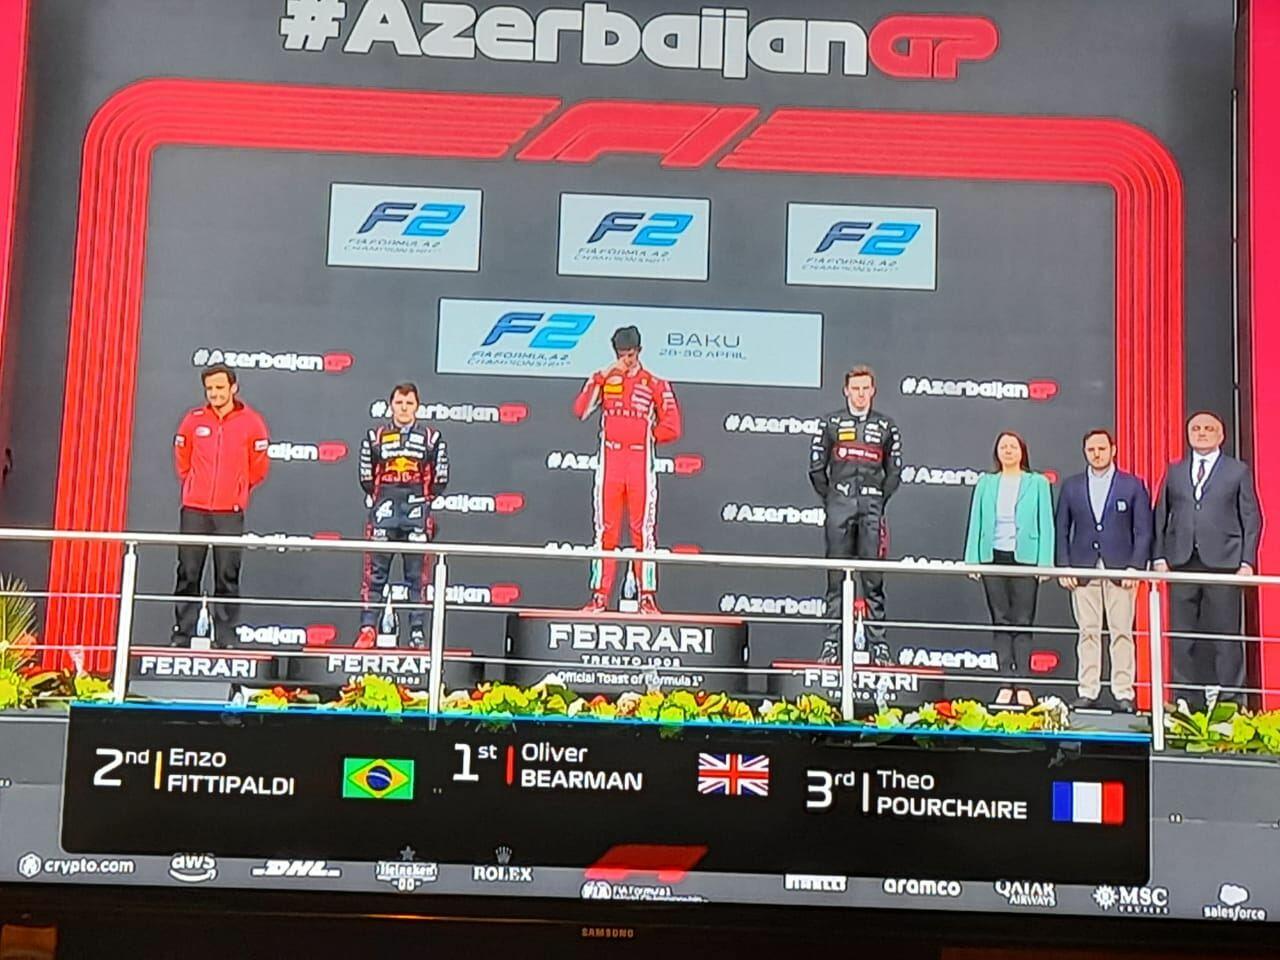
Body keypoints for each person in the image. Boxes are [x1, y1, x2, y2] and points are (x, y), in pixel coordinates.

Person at [1152, 411, 1262, 707]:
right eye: (1196, 428)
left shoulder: (1237, 471)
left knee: (1226, 637)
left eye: (1208, 429)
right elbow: (1160, 515)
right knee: (1181, 636)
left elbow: (1252, 518)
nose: (1201, 433)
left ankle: (1231, 701)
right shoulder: (1175, 471)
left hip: (1224, 564)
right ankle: (1185, 699)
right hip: (1181, 562)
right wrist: (1159, 556)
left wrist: (1247, 562)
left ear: (1221, 436)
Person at [574, 326, 681, 614]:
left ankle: (647, 597)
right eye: (622, 355)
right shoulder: (606, 379)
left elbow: (673, 427)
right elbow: (581, 410)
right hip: (610, 462)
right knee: (605, 531)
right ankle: (599, 596)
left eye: (631, 355)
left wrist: (647, 435)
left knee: (642, 532)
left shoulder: (655, 383)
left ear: (640, 352)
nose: (627, 360)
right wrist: (601, 376)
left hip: (639, 464)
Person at [808, 365, 903, 664]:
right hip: (839, 507)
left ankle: (879, 646)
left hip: (871, 508)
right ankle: (831, 645)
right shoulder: (831, 423)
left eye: (865, 389)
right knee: (836, 578)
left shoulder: (886, 426)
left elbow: (894, 472)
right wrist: (834, 498)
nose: (860, 394)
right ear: (846, 391)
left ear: (873, 390)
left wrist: (876, 498)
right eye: (855, 389)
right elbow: (816, 469)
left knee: (873, 579)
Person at [172, 363, 270, 647]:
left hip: (230, 512)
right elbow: (182, 459)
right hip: (194, 509)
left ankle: (226, 635)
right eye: (210, 389)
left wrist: (238, 490)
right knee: (188, 573)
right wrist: (194, 486)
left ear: (233, 388)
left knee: (227, 575)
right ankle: (183, 633)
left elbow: (258, 467)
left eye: (219, 388)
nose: (214, 393)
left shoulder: (252, 422)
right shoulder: (193, 420)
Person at [1054, 429, 1152, 712]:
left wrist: (1136, 567)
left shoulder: (1132, 485)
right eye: (1091, 450)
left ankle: (1124, 692)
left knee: (1122, 632)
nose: (1096, 454)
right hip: (1083, 570)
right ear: (1085, 452)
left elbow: (1143, 531)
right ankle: (1088, 690)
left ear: (1113, 450)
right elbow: (1061, 529)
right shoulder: (1072, 486)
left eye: (1101, 449)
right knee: (1088, 632)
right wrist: (1064, 566)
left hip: (1122, 571)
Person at [963, 431, 1054, 707]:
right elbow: (976, 521)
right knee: (1000, 620)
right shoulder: (986, 483)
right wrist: (972, 559)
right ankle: (1005, 682)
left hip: (1026, 559)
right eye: (1003, 446)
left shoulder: (1037, 483)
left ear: (1022, 451)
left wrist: (1045, 563)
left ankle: (1023, 684)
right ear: (997, 452)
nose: (1008, 451)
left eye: (1013, 446)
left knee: (1023, 620)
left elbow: (1046, 523)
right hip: (993, 557)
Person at [358, 382, 449, 649]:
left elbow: (441, 477)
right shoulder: (375, 436)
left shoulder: (431, 437)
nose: (404, 408)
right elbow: (366, 476)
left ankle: (417, 633)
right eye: (399, 403)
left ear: (417, 407)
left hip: (416, 512)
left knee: (417, 577)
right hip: (384, 510)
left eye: (409, 403)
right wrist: (382, 498)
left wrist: (423, 499)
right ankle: (367, 629)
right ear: (391, 405)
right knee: (375, 574)